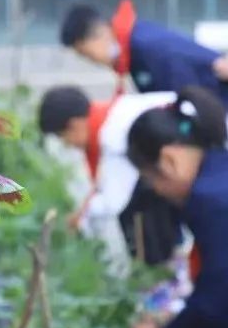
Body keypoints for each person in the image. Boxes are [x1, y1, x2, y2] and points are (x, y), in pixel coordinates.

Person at [127, 87, 228, 328]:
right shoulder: (220, 175)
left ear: (169, 160)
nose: (158, 191)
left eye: (151, 179)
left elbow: (219, 294)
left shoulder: (210, 199)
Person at [38, 86, 182, 268]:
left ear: (74, 125)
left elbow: (114, 201)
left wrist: (81, 220)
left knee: (138, 208)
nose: (67, 144)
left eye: (63, 137)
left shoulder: (112, 135)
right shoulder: (115, 112)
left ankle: (161, 275)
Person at [60, 1, 228, 103]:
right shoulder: (134, 49)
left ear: (100, 32)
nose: (94, 61)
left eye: (87, 54)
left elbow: (186, 100)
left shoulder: (147, 47)